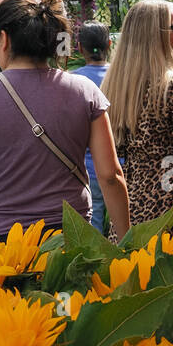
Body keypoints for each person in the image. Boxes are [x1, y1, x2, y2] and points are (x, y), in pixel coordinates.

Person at [0, 0, 128, 237]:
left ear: (3, 40)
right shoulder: (84, 91)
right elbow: (110, 177)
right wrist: (127, 242)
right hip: (70, 239)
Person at [102, 0, 173, 236]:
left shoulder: (114, 87)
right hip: (170, 206)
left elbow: (115, 150)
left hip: (127, 206)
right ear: (155, 35)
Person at [70, 21, 113, 232]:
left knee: (93, 227)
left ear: (79, 48)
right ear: (110, 45)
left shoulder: (71, 80)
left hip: (86, 168)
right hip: (120, 165)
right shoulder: (121, 77)